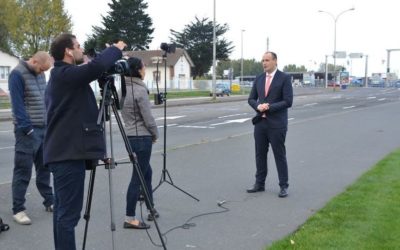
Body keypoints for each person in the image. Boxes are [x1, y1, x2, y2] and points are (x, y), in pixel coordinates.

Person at [44, 33, 126, 250]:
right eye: (78, 46)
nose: (81, 49)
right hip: (67, 156)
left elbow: (91, 70)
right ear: (68, 51)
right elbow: (93, 68)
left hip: (64, 154)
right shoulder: (64, 74)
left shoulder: (63, 77)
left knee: (63, 214)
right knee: (68, 217)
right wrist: (116, 49)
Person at [8, 51, 54, 225]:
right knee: (23, 171)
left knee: (44, 168)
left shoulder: (41, 73)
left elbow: (46, 99)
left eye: (45, 71)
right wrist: (27, 129)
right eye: (41, 69)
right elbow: (17, 105)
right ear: (34, 61)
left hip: (44, 129)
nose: (42, 73)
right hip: (27, 132)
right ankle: (18, 209)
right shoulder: (17, 74)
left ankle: (49, 201)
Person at [247, 51, 293, 198]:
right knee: (260, 155)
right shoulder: (259, 78)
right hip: (261, 122)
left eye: (267, 60)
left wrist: (269, 107)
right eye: (262, 60)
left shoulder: (284, 78)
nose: (264, 63)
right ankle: (259, 184)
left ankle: (283, 186)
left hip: (277, 124)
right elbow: (251, 98)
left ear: (275, 61)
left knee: (279, 155)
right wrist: (258, 106)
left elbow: (288, 101)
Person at [121, 57, 159, 229]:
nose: (145, 69)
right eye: (144, 67)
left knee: (146, 172)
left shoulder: (122, 88)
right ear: (138, 70)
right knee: (137, 178)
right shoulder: (139, 90)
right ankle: (130, 217)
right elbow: (148, 118)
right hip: (142, 137)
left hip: (129, 136)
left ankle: (151, 208)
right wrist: (155, 133)